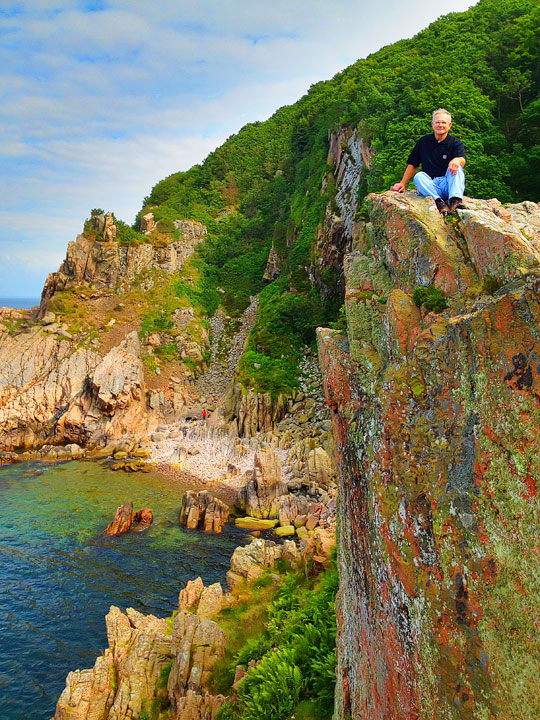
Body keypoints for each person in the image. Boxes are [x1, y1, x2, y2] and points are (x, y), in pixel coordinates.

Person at [391, 108, 466, 215]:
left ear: (450, 125)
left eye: (443, 122)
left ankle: (455, 201)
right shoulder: (423, 142)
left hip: (447, 183)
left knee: (457, 169)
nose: (440, 125)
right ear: (432, 125)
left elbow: (462, 159)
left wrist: (457, 160)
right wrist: (402, 183)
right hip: (430, 184)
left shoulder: (455, 142)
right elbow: (413, 164)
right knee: (419, 177)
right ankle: (439, 202)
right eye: (437, 122)